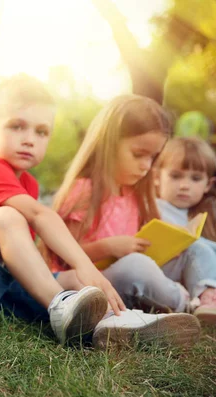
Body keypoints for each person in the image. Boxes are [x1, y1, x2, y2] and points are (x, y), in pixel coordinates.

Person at [0, 74, 127, 346]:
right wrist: (85, 263)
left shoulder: (27, 184)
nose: (29, 139)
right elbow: (40, 216)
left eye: (41, 132)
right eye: (17, 127)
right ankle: (61, 308)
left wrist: (77, 274)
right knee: (6, 218)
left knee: (72, 279)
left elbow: (22, 255)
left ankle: (113, 323)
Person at [52, 95, 201, 347]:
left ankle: (202, 298)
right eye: (138, 154)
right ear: (108, 144)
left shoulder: (135, 195)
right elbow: (63, 258)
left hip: (130, 283)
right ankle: (184, 305)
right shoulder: (83, 191)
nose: (146, 166)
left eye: (153, 158)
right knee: (136, 266)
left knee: (195, 250)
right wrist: (109, 247)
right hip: (92, 286)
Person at [154, 137, 216, 323]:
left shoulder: (202, 214)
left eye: (195, 178)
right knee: (196, 246)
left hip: (187, 274)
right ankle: (208, 298)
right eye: (175, 176)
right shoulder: (155, 207)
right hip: (163, 270)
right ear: (157, 178)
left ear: (208, 185)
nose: (184, 185)